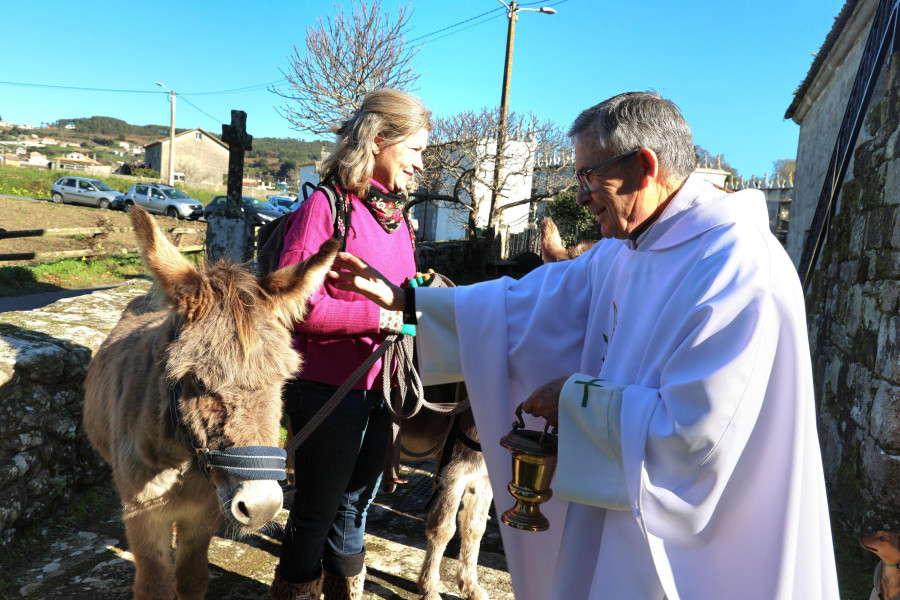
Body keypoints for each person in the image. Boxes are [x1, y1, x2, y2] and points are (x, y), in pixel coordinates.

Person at [329, 91, 840, 599]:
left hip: (695, 557)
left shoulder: (736, 266)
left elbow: (700, 436)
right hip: (615, 516)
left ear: (645, 166)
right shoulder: (626, 249)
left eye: (590, 176)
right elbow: (530, 302)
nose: (578, 196)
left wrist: (574, 401)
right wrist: (409, 303)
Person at [269, 88, 431, 600]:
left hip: (381, 387)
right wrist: (380, 317)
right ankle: (296, 590)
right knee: (318, 509)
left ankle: (343, 590)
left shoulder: (398, 218)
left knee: (356, 505)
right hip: (325, 387)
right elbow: (291, 303)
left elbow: (406, 300)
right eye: (416, 150)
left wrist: (416, 306)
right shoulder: (325, 207)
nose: (421, 166)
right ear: (380, 139)